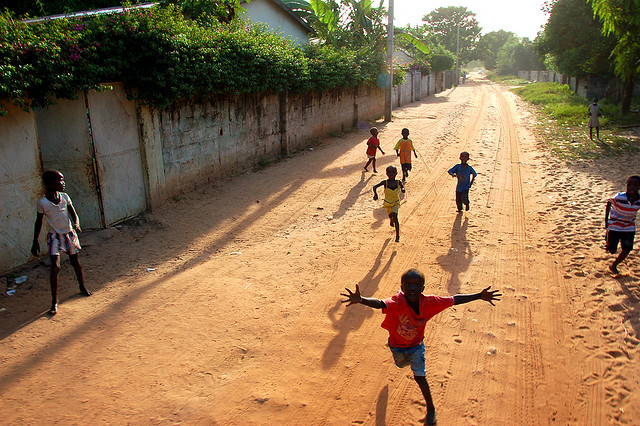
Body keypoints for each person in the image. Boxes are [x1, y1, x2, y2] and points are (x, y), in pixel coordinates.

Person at [341, 269, 501, 425]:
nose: (412, 288)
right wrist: (361, 300)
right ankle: (403, 359)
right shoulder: (397, 302)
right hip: (397, 347)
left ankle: (430, 408)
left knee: (420, 376)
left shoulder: (431, 303)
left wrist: (479, 296)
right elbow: (380, 303)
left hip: (416, 347)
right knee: (400, 364)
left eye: (417, 285)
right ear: (402, 287)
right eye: (408, 284)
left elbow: (454, 299)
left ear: (422, 288)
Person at [31, 170, 91, 315]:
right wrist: (35, 241)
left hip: (69, 234)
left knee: (75, 262)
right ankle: (54, 301)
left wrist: (76, 224)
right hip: (55, 237)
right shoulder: (43, 203)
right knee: (55, 268)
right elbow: (38, 222)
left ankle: (82, 287)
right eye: (60, 180)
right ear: (51, 183)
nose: (63, 183)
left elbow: (73, 214)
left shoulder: (64, 197)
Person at [605, 175, 640, 275]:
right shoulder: (620, 197)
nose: (632, 188)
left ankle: (613, 266)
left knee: (627, 249)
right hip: (615, 225)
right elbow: (609, 203)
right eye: (630, 185)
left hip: (629, 227)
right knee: (612, 250)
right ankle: (608, 242)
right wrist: (606, 220)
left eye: (635, 185)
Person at [373, 165, 405, 242]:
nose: (391, 174)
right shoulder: (385, 182)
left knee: (395, 217)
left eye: (393, 172)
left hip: (395, 202)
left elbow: (402, 186)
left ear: (396, 173)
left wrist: (403, 189)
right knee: (391, 216)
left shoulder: (398, 182)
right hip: (388, 203)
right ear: (387, 174)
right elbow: (375, 187)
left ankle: (397, 235)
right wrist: (375, 194)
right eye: (389, 172)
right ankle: (391, 219)